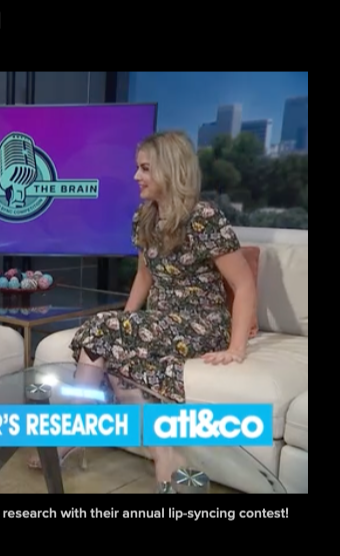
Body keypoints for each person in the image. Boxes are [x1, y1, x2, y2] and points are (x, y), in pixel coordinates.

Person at [28, 131, 257, 492]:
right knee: (112, 343)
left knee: (105, 331)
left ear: (171, 169)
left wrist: (237, 348)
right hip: (160, 321)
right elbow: (144, 275)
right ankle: (163, 454)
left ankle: (75, 426)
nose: (136, 176)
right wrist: (125, 322)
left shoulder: (204, 218)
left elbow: (243, 285)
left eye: (145, 168)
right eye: (138, 167)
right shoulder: (144, 217)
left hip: (200, 323)